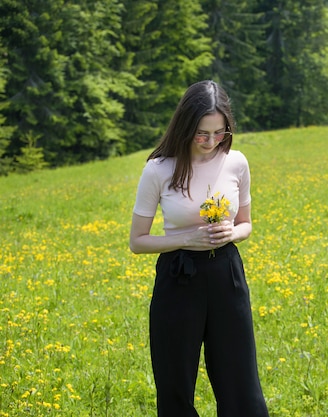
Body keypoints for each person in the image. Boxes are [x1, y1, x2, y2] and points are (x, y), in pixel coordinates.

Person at [129, 80, 269, 417]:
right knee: (175, 385)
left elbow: (247, 224)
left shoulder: (236, 162)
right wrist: (187, 240)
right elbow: (137, 241)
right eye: (202, 134)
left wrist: (231, 233)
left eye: (218, 133)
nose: (210, 142)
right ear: (185, 126)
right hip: (178, 278)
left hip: (227, 274)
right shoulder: (159, 169)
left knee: (241, 384)